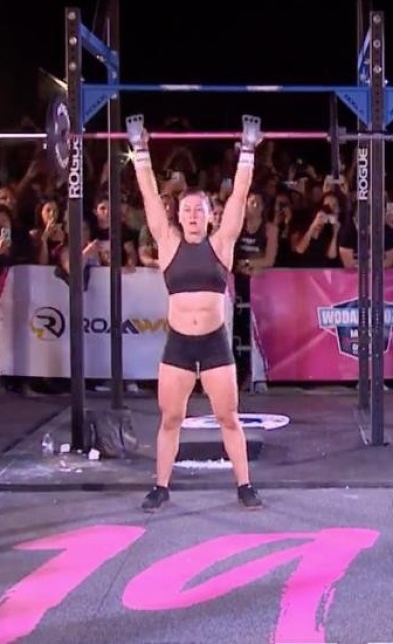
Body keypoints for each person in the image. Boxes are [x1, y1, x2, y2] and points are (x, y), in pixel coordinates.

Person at [127, 113, 264, 512]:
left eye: (198, 210)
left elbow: (239, 198)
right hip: (180, 346)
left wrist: (249, 150)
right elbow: (151, 197)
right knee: (171, 419)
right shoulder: (167, 243)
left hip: (215, 344)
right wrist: (139, 149)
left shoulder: (222, 245)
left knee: (229, 418)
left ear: (208, 215)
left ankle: (244, 486)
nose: (191, 215)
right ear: (179, 214)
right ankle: (161, 486)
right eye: (186, 210)